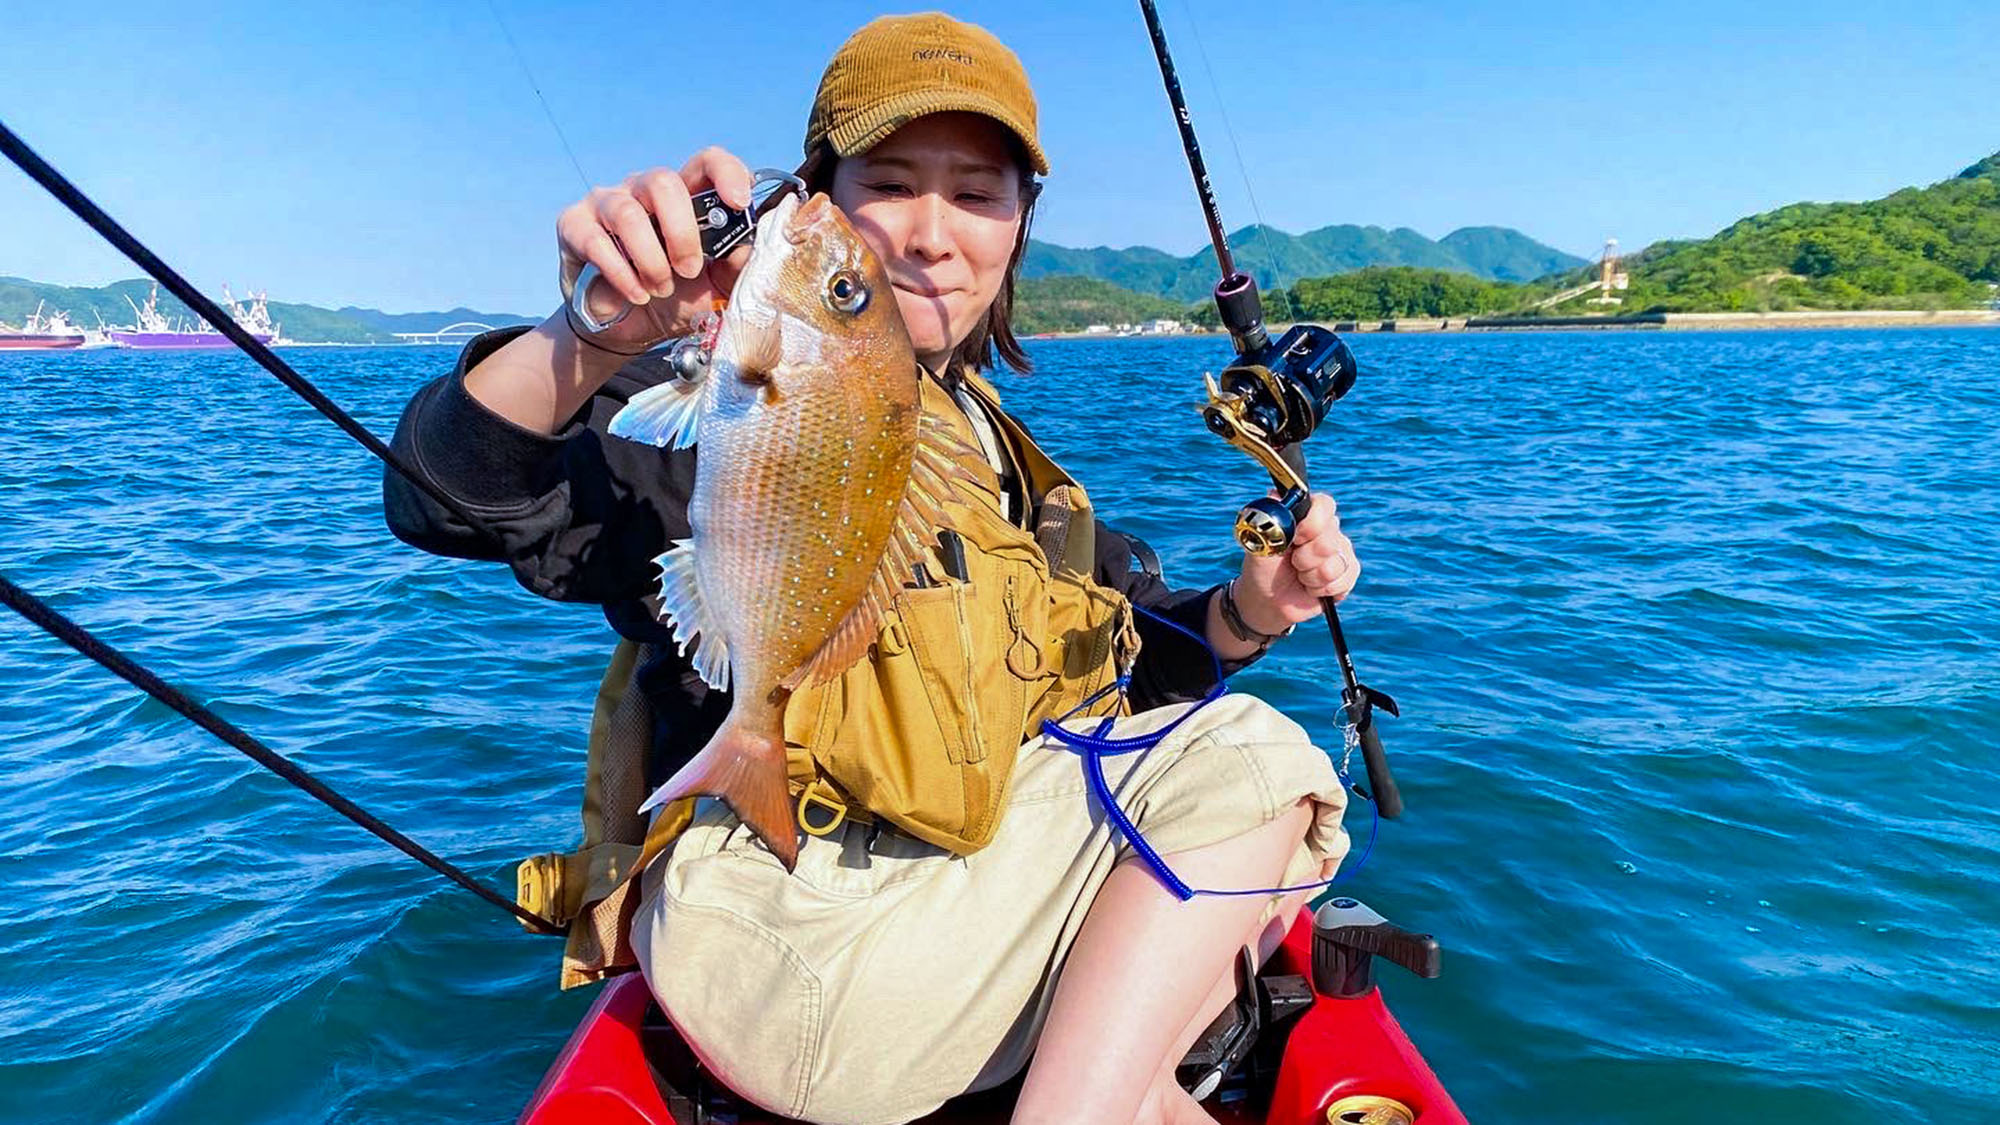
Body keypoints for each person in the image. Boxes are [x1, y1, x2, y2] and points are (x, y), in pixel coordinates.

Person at [384, 13, 1361, 1125]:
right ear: (814, 199)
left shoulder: (1002, 462)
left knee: (1147, 1070)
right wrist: (595, 335)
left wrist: (1251, 610)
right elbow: (444, 500)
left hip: (928, 919)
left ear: (1015, 234)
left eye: (977, 195)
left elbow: (1116, 664)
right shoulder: (718, 402)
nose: (930, 236)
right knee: (1255, 763)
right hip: (793, 946)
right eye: (888, 184)